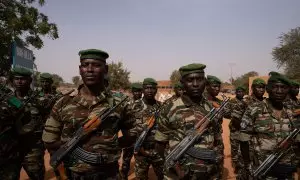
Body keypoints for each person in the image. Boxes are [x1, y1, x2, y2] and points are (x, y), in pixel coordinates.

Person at [42, 49, 136, 179]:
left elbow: (131, 135)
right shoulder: (63, 102)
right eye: (85, 65)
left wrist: (110, 146)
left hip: (108, 172)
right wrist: (72, 144)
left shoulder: (119, 102)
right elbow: (49, 141)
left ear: (106, 69)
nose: (90, 69)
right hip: (74, 173)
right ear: (80, 70)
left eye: (97, 65)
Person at [155, 63, 220, 179]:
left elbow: (216, 139)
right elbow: (160, 143)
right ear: (182, 83)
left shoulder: (211, 108)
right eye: (190, 80)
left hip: (207, 173)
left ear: (205, 82)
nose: (195, 84)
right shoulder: (169, 108)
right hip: (178, 174)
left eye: (199, 79)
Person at [240, 72, 300, 179]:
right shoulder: (254, 109)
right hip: (262, 169)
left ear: (287, 90)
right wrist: (247, 165)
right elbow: (244, 139)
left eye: (283, 87)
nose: (279, 91)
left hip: (286, 169)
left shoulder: (291, 112)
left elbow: (297, 140)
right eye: (275, 87)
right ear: (268, 89)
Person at [131, 78, 164, 180]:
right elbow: (128, 128)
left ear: (156, 90)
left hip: (158, 150)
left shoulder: (161, 107)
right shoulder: (133, 106)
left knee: (163, 176)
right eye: (147, 88)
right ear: (143, 89)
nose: (149, 91)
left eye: (152, 88)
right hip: (141, 151)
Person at [120, 82, 143, 179]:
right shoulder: (126, 104)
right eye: (135, 91)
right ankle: (124, 176)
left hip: (142, 137)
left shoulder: (144, 103)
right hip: (129, 137)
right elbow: (121, 121)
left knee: (141, 160)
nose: (138, 93)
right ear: (132, 92)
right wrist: (125, 134)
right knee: (126, 159)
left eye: (139, 91)